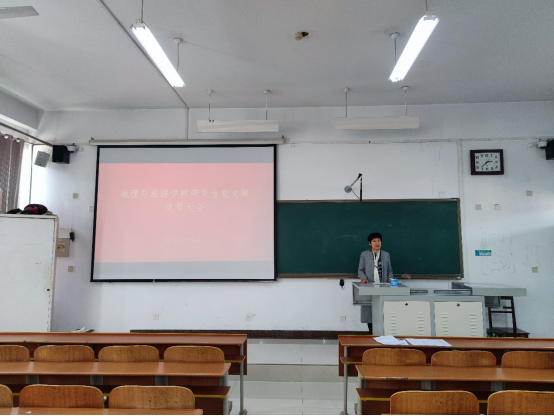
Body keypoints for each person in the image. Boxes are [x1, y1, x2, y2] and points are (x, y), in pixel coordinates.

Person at [358, 232, 411, 333]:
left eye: (379, 241)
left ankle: (382, 334)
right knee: (369, 311)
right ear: (370, 243)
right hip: (370, 287)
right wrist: (363, 278)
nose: (377, 243)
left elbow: (390, 270)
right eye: (374, 241)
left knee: (383, 310)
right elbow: (360, 269)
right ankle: (372, 333)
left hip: (383, 287)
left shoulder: (386, 255)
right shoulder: (364, 254)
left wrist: (390, 278)